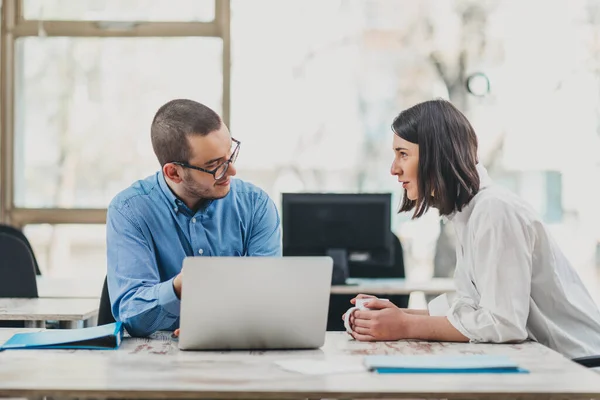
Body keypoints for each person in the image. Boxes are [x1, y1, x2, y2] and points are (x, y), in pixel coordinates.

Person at [344, 98, 600, 359]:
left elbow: (504, 324)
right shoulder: (470, 213)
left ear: (436, 155)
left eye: (403, 154)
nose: (393, 169)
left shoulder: (494, 210)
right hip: (555, 363)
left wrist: (405, 325)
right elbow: (474, 310)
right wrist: (396, 315)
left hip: (581, 368)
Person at [107, 99, 281, 337]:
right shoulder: (130, 211)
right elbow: (132, 316)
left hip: (240, 354)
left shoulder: (255, 205)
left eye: (230, 155)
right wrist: (180, 286)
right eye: (214, 165)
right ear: (174, 172)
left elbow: (269, 300)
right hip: (157, 361)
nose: (231, 171)